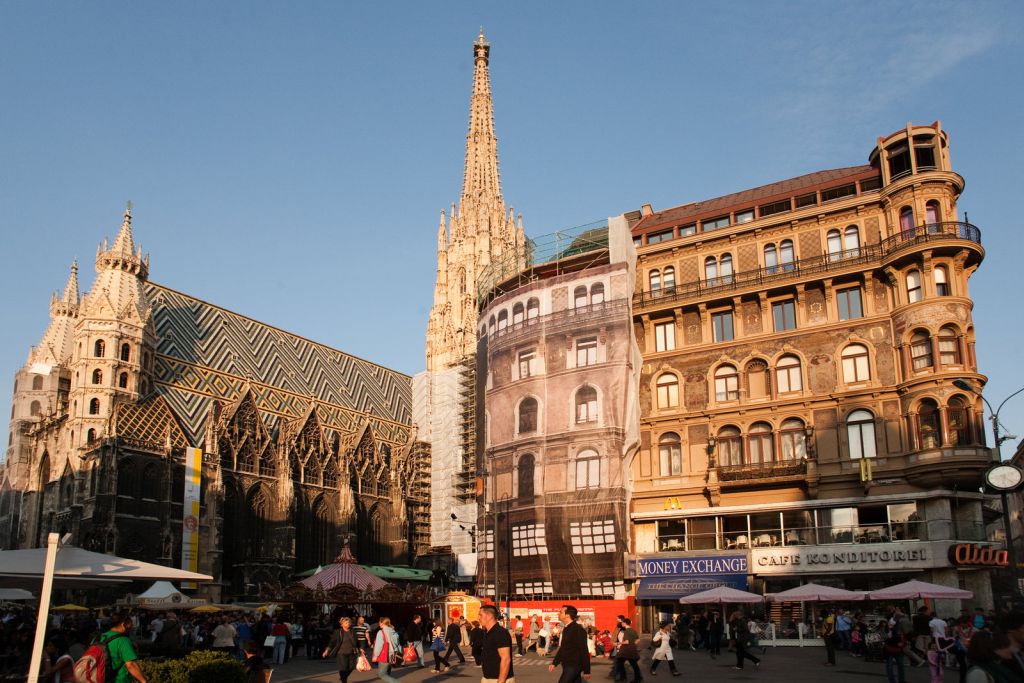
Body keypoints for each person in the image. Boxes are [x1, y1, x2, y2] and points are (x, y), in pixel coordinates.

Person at [549, 605, 590, 683]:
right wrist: (555, 663)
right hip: (567, 664)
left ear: (567, 615)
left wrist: (587, 670)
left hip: (574, 665)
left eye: (561, 612)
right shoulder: (567, 628)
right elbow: (563, 647)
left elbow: (584, 649)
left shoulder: (577, 629)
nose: (558, 614)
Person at [103, 612, 147, 683]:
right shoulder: (123, 641)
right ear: (123, 624)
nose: (132, 626)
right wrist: (144, 681)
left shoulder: (99, 637)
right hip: (120, 679)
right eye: (130, 623)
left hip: (100, 678)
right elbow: (131, 665)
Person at [479, 604, 514, 683]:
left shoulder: (500, 633)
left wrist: (501, 681)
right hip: (487, 678)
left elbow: (505, 659)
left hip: (498, 679)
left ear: (490, 616)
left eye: (480, 615)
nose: (478, 618)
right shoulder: (487, 632)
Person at [324, 616, 358, 683]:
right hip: (341, 653)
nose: (348, 624)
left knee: (352, 667)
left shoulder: (353, 631)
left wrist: (361, 648)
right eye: (346, 623)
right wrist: (327, 650)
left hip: (351, 652)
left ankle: (343, 678)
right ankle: (344, 680)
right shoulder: (338, 632)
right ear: (342, 624)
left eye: (349, 623)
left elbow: (357, 641)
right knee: (343, 668)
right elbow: (332, 642)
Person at [372, 617, 401, 683]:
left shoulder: (381, 632)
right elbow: (398, 644)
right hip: (392, 656)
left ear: (382, 623)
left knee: (382, 674)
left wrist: (375, 656)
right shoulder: (393, 631)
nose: (379, 624)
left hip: (384, 656)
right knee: (387, 673)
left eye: (379, 622)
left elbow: (379, 645)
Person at [614, 618, 642, 683]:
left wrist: (617, 643)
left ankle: (623, 678)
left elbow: (626, 642)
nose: (621, 623)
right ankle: (638, 678)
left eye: (622, 622)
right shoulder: (633, 630)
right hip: (632, 649)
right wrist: (633, 644)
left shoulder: (627, 631)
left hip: (625, 650)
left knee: (620, 663)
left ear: (625, 623)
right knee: (634, 664)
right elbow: (638, 640)